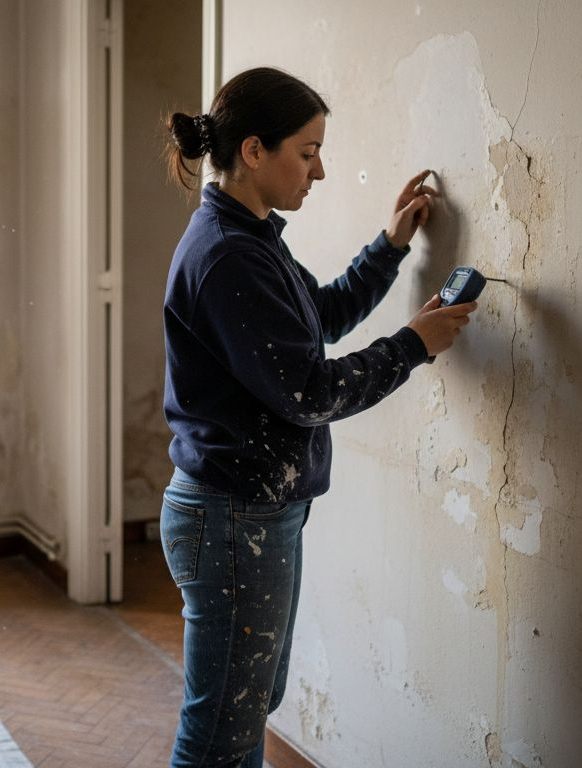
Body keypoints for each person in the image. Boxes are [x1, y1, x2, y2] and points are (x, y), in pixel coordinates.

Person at [158, 67, 477, 767]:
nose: (320, 170)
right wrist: (412, 346)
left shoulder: (251, 234)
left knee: (247, 709)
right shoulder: (228, 256)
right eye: (307, 153)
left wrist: (389, 248)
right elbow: (310, 393)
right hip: (232, 520)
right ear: (253, 151)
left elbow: (320, 319)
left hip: (255, 514)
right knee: (220, 734)